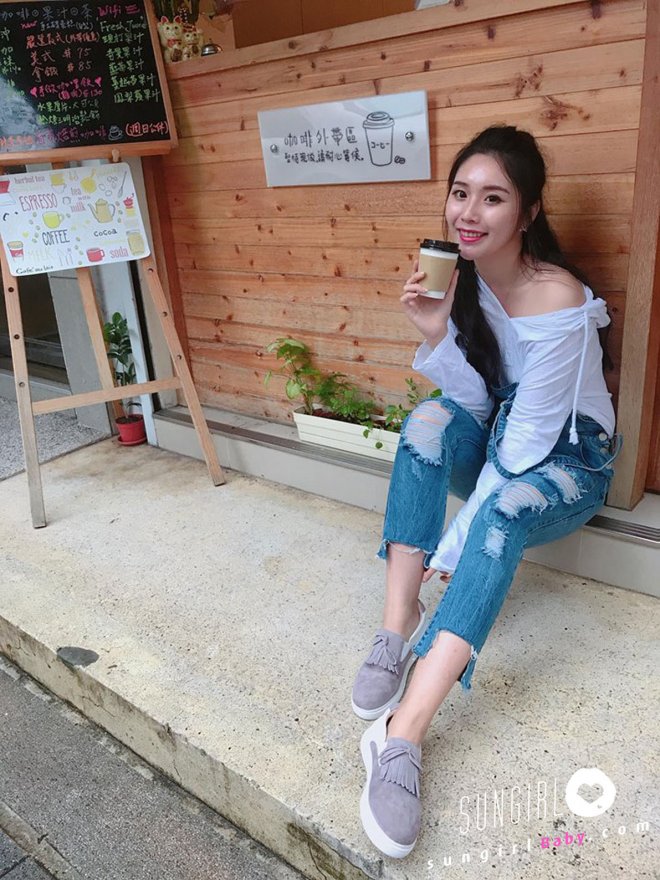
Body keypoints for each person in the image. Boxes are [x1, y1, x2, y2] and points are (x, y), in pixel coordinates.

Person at [351, 125, 621, 859]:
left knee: (498, 511)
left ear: (528, 212)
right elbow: (475, 403)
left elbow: (528, 446)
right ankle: (397, 624)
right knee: (429, 423)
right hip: (507, 437)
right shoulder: (463, 278)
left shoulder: (557, 296)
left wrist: (456, 541)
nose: (468, 213)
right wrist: (436, 330)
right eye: (460, 193)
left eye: (493, 198)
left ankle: (401, 732)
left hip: (569, 458)